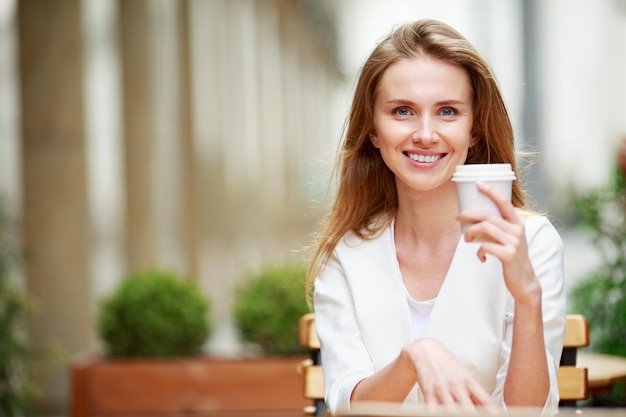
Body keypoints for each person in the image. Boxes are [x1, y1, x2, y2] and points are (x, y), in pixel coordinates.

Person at [306, 19, 566, 415]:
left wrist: (527, 295)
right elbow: (346, 404)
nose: (425, 134)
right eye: (402, 111)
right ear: (373, 130)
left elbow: (527, 412)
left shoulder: (531, 242)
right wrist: (416, 358)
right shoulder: (346, 256)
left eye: (447, 111)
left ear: (473, 129)